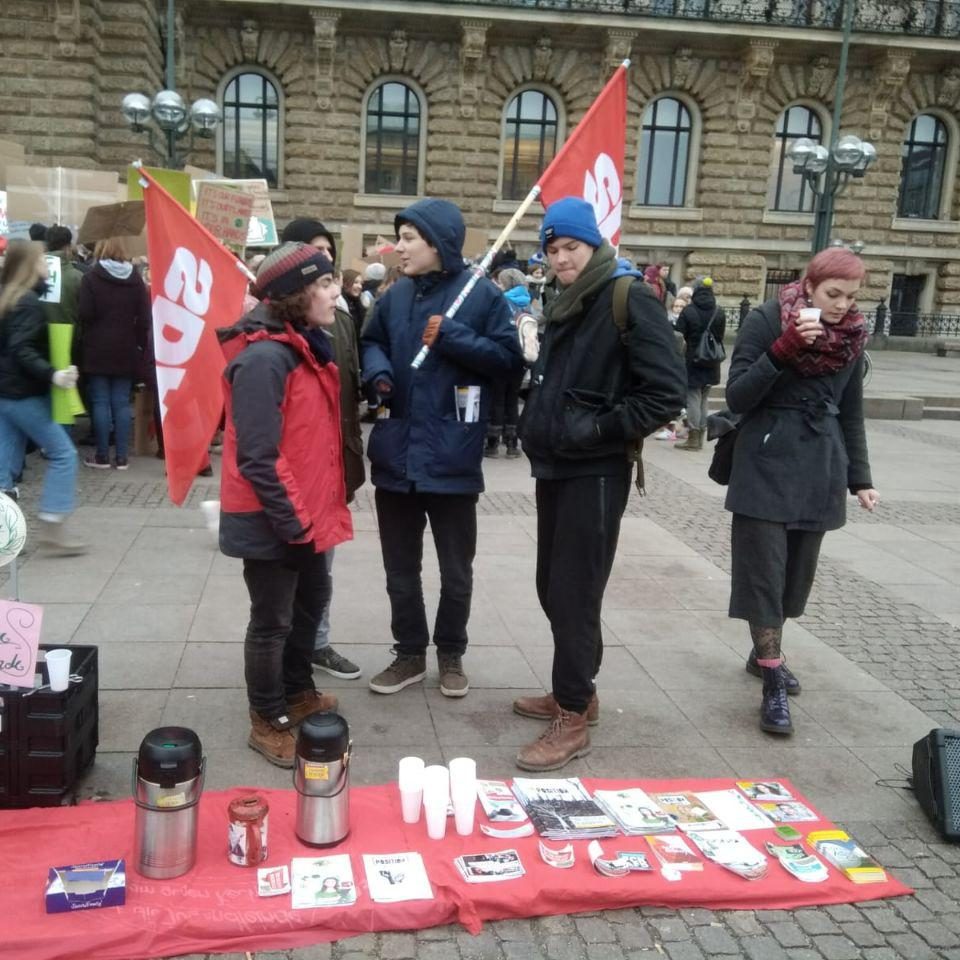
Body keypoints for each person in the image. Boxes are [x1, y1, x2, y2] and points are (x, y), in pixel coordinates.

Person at [513, 197, 686, 771]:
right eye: (553, 249)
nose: (561, 258)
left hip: (597, 468)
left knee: (573, 591)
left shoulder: (627, 295)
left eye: (571, 248)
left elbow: (665, 393)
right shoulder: (565, 299)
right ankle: (578, 689)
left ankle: (572, 715)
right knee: (548, 585)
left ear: (594, 245)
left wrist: (599, 428)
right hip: (556, 462)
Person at [361, 198, 522, 698]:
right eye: (400, 237)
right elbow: (372, 342)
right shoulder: (394, 295)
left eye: (409, 238)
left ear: (439, 243)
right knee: (399, 572)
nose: (400, 247)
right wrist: (380, 374)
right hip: (396, 456)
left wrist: (453, 337)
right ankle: (408, 653)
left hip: (452, 457)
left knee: (456, 572)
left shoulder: (481, 297)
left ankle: (450, 652)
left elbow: (508, 362)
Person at [725, 247, 879, 736]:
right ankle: (772, 680)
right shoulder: (767, 320)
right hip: (764, 463)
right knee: (764, 577)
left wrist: (861, 478)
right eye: (833, 294)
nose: (841, 305)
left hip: (819, 466)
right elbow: (737, 396)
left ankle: (761, 653)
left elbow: (850, 411)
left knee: (794, 580)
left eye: (851, 297)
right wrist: (784, 349)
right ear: (810, 286)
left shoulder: (853, 336)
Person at [218, 242, 353, 767]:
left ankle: (297, 692)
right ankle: (267, 716)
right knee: (272, 621)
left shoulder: (301, 344)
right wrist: (295, 521)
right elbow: (258, 455)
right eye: (323, 284)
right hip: (274, 519)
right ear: (294, 297)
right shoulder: (264, 358)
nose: (335, 291)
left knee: (310, 604)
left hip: (304, 516)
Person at [278, 218, 364, 682]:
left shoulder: (343, 318)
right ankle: (286, 659)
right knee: (287, 577)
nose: (323, 259)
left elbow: (351, 382)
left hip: (335, 460)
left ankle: (316, 644)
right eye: (312, 250)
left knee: (322, 569)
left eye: (328, 251)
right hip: (295, 470)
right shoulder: (274, 331)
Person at [0, 240, 85, 553]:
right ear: (28, 266)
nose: (46, 265)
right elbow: (22, 349)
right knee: (63, 454)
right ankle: (52, 524)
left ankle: (6, 534)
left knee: (3, 468)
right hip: (24, 394)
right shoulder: (28, 303)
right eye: (40, 260)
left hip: (6, 393)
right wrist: (54, 374)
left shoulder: (9, 297)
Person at [76, 237, 151, 470]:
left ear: (100, 249)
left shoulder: (91, 278)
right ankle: (121, 457)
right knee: (120, 403)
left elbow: (85, 314)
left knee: (100, 402)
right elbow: (145, 319)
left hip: (97, 347)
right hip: (126, 347)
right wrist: (138, 344)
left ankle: (101, 455)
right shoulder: (136, 280)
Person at [486, 267, 535, 459]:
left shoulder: (502, 300)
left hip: (502, 354)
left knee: (497, 399)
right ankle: (513, 443)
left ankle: (492, 443)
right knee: (512, 399)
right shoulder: (526, 301)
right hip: (522, 357)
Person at [675, 276, 726, 452]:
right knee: (704, 398)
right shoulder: (718, 311)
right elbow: (720, 336)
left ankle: (693, 437)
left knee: (693, 398)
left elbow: (679, 335)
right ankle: (700, 437)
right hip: (712, 360)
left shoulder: (689, 311)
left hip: (693, 360)